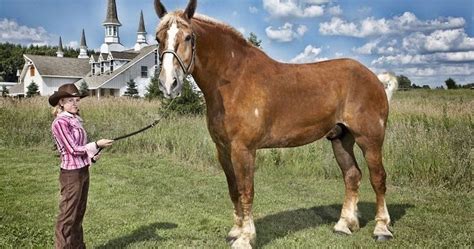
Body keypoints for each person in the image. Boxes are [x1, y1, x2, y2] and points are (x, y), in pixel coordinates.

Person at [49, 83, 113, 249]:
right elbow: (72, 150)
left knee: (79, 212)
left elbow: (82, 148)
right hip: (71, 173)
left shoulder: (76, 120)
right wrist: (97, 143)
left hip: (82, 170)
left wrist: (93, 155)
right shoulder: (60, 123)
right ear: (61, 102)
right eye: (70, 100)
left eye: (76, 100)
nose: (74, 103)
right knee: (67, 215)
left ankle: (77, 247)